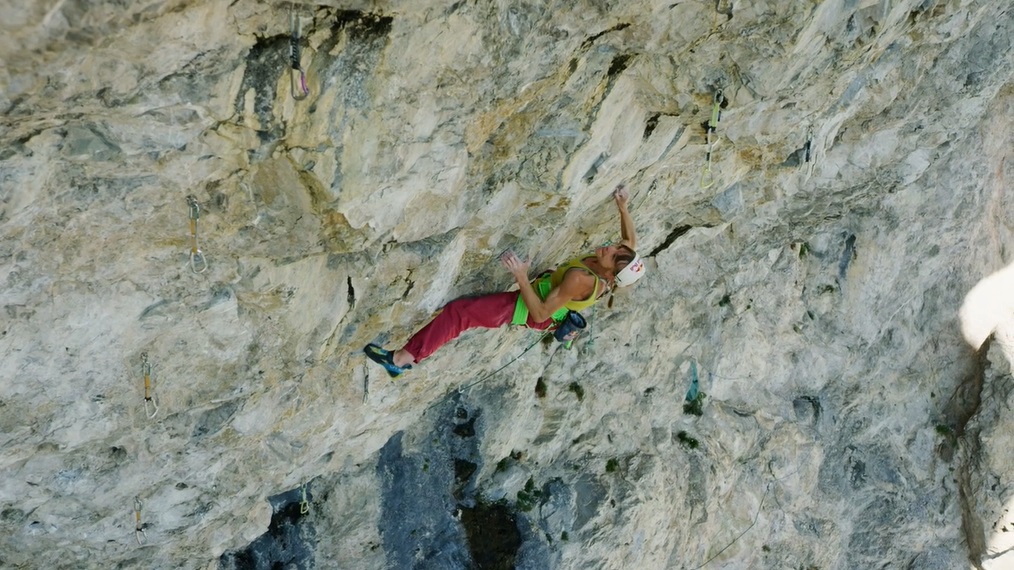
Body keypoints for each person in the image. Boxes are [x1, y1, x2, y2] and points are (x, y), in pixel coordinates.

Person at [364, 185, 646, 377]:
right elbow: (629, 241)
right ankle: (405, 357)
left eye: (614, 256)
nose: (611, 248)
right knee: (460, 313)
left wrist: (522, 276)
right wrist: (623, 208)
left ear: (609, 274)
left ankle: (402, 361)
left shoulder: (580, 278)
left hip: (532, 308)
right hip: (545, 299)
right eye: (617, 249)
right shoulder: (616, 265)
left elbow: (539, 313)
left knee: (459, 313)